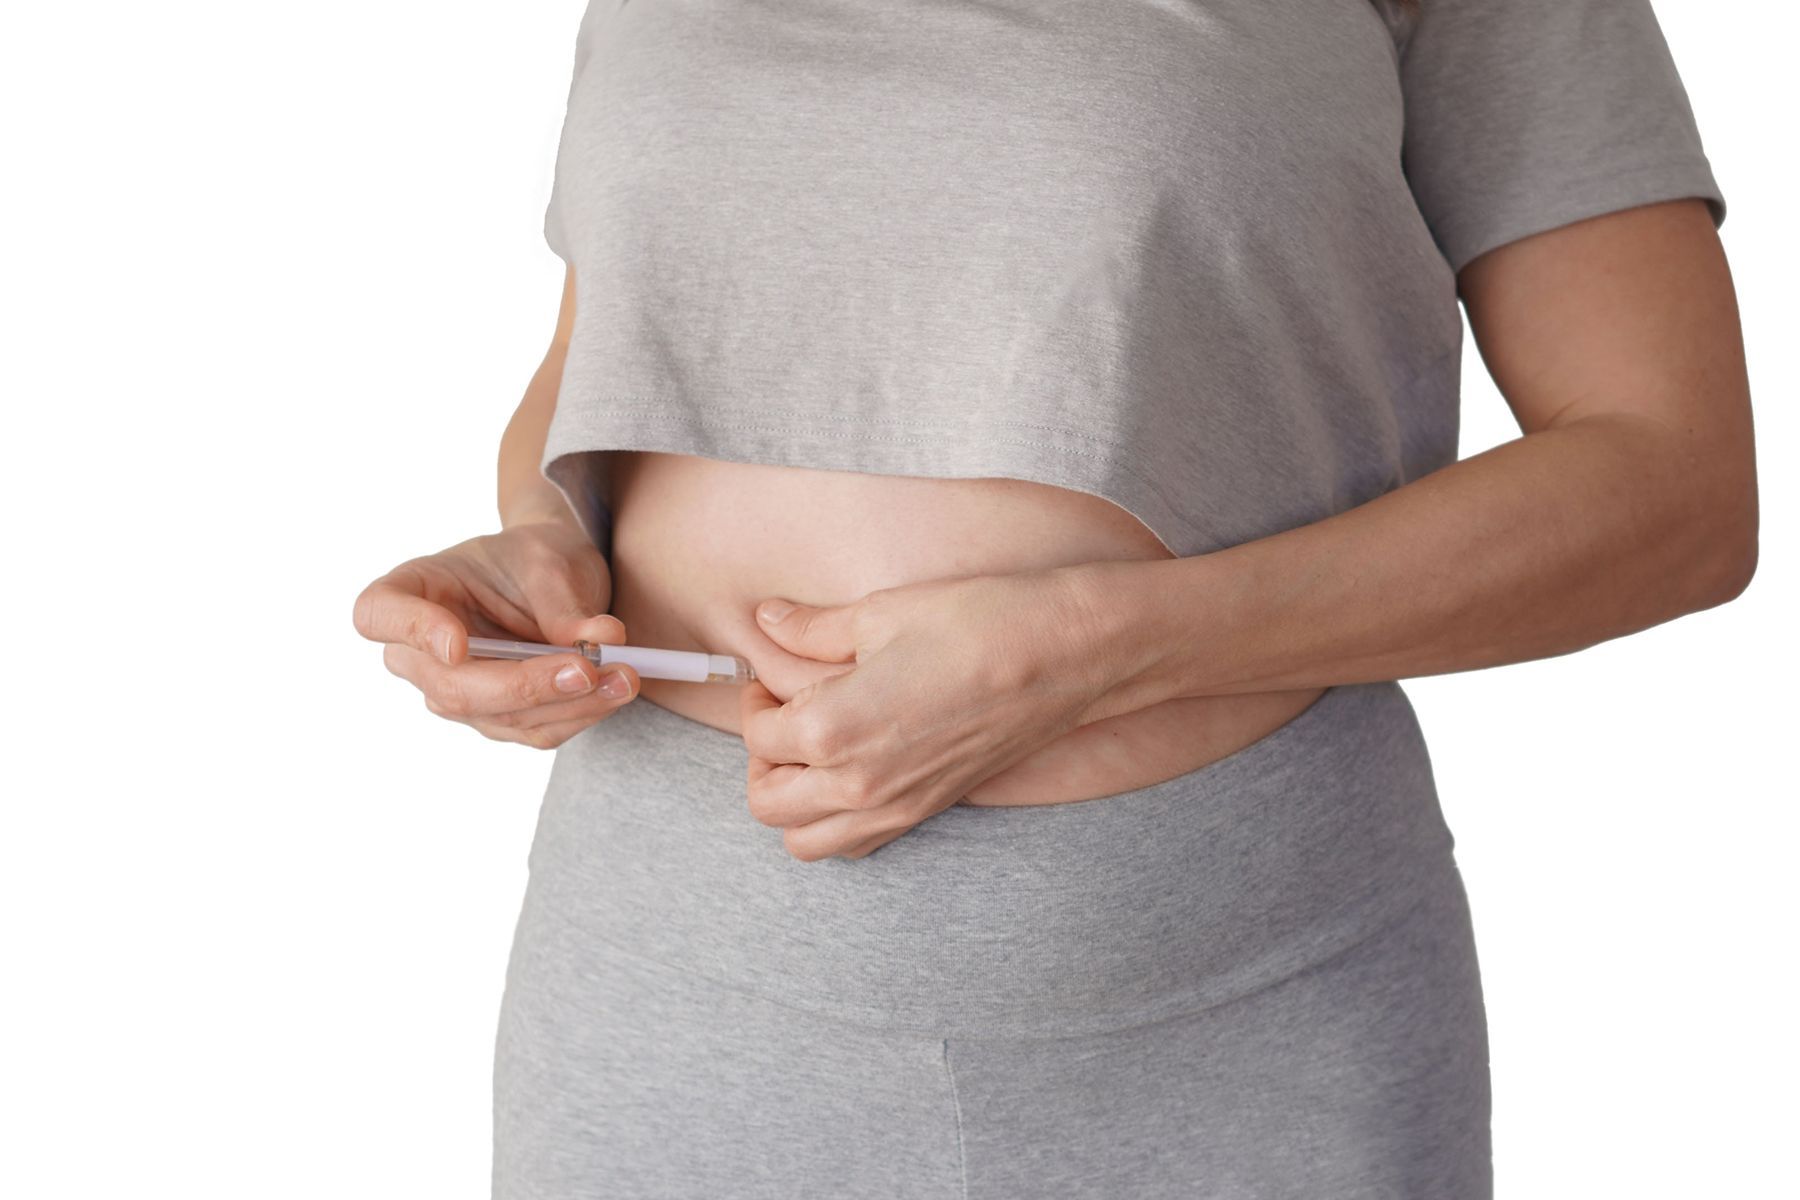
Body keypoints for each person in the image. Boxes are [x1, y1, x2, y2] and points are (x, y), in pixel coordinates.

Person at [352, 0, 1757, 1195]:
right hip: (666, 995)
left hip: (1231, 1011)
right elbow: (624, 346)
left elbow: (1674, 486)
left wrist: (1103, 647)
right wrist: (541, 536)